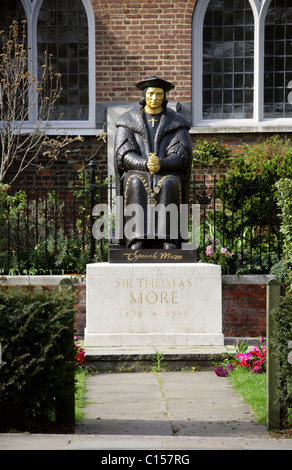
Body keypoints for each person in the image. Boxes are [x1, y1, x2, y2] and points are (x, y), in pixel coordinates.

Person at [114, 76, 192, 249]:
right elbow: (123, 153)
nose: (154, 98)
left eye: (159, 94)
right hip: (137, 169)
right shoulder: (127, 121)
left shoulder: (177, 122)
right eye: (151, 94)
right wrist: (144, 164)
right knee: (135, 182)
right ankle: (135, 239)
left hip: (166, 170)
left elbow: (182, 155)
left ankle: (168, 239)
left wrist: (162, 164)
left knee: (169, 183)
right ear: (144, 96)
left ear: (164, 97)